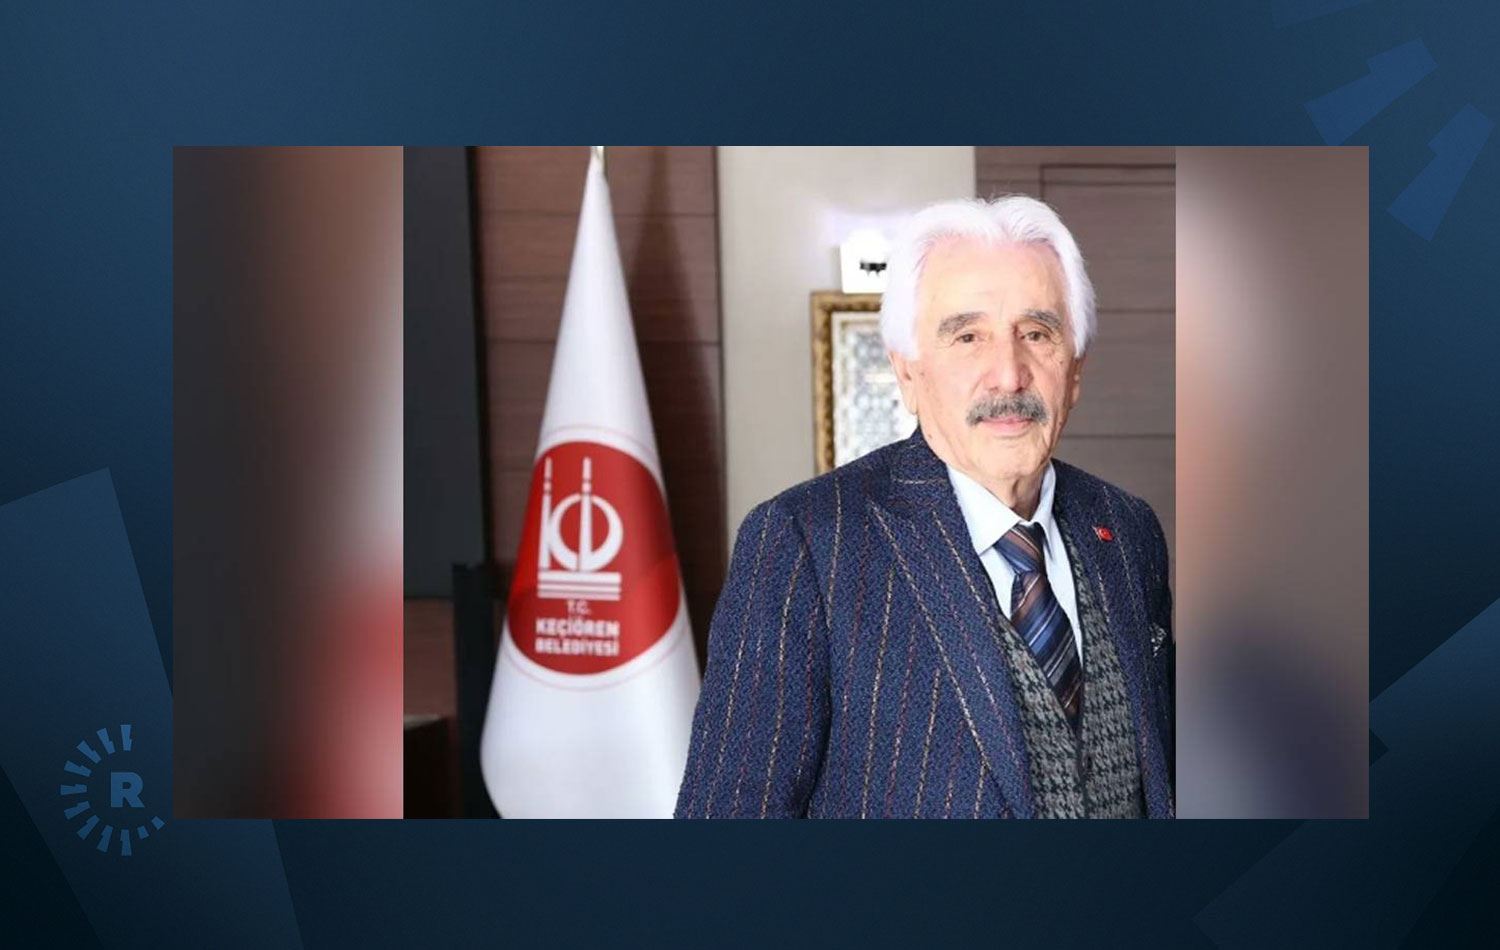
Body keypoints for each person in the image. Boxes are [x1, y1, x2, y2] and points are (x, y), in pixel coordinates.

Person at [675, 195, 1174, 819]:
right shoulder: (805, 543)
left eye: (1036, 334)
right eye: (968, 337)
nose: (1009, 375)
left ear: (1074, 371)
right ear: (908, 373)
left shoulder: (1128, 531)